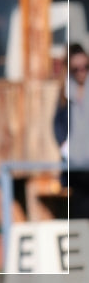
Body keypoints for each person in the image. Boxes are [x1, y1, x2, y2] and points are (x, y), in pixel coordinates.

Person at [54, 43, 89, 219]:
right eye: (76, 69)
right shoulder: (66, 95)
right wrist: (65, 147)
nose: (82, 72)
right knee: (80, 219)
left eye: (86, 67)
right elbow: (58, 125)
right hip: (76, 171)